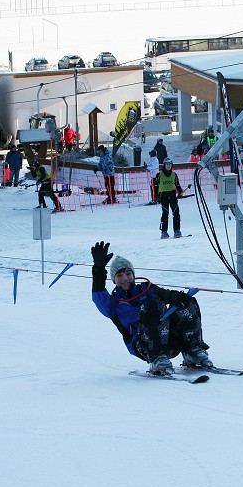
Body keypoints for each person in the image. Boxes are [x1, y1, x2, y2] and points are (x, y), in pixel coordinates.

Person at [91, 242, 213, 375]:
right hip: (143, 346)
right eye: (119, 275)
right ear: (114, 279)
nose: (125, 278)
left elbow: (166, 295)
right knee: (152, 305)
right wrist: (98, 270)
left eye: (128, 273)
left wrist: (176, 297)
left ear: (133, 275)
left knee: (186, 302)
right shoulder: (113, 304)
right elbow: (98, 295)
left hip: (168, 340)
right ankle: (157, 359)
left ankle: (192, 350)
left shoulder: (146, 289)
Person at [155, 158, 184, 238]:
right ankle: (164, 232)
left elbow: (177, 185)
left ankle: (177, 230)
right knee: (165, 214)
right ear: (164, 165)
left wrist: (180, 192)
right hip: (163, 196)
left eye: (170, 164)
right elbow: (156, 187)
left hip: (172, 195)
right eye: (167, 164)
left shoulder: (174, 175)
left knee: (176, 213)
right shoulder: (159, 175)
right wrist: (156, 197)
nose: (168, 166)